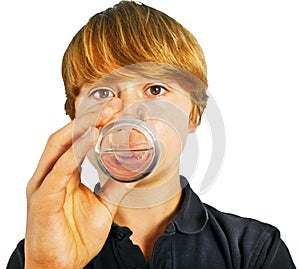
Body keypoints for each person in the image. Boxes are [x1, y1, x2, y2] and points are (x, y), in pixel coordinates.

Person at [7, 1, 296, 268]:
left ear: (194, 114)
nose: (129, 113)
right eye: (103, 92)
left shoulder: (253, 251)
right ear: (75, 117)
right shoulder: (34, 255)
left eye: (155, 89)